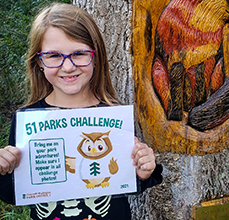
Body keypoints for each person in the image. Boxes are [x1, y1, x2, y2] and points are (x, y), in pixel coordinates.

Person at [0, 3, 162, 220]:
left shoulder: (115, 117)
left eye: (78, 53)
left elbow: (125, 182)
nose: (68, 66)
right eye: (54, 56)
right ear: (39, 61)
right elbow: (13, 194)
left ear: (95, 56)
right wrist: (3, 169)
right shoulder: (26, 121)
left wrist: (143, 172)